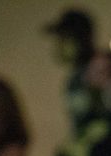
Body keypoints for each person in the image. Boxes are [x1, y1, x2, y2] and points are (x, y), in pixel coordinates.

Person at [44, 7, 103, 135]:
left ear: (79, 40)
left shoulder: (97, 72)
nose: (58, 46)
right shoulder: (77, 76)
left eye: (63, 39)